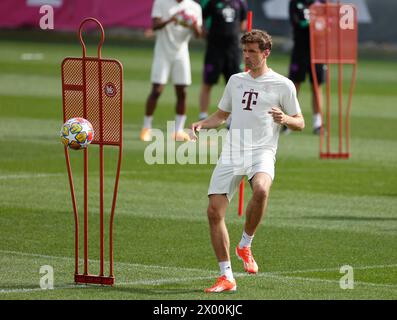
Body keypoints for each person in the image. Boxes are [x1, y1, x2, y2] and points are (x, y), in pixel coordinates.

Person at [191, 30, 305, 292]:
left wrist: (285, 119)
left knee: (262, 189)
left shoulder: (283, 84)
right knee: (213, 212)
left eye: (252, 52)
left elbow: (300, 121)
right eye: (244, 51)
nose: (247, 56)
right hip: (233, 151)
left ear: (266, 53)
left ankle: (245, 243)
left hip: (262, 151)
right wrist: (202, 124)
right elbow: (221, 115)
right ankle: (226, 276)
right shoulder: (235, 80)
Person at [140, 0, 202, 142]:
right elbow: (155, 26)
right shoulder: (161, 2)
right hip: (162, 52)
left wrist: (194, 26)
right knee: (157, 90)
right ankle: (146, 128)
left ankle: (178, 131)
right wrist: (171, 19)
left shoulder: (194, 7)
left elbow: (199, 35)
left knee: (182, 92)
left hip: (181, 54)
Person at [198, 0, 247, 121]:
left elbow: (243, 24)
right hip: (214, 49)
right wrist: (204, 30)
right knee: (208, 82)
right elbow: (202, 17)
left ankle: (231, 118)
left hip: (233, 50)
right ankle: (203, 116)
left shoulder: (240, 3)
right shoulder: (212, 2)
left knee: (235, 85)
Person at [287, 0, 325, 135]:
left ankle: (318, 123)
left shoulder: (322, 2)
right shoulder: (295, 2)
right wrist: (312, 23)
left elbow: (328, 24)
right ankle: (290, 120)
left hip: (318, 50)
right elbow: (295, 23)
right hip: (300, 50)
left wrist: (320, 25)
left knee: (317, 86)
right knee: (294, 85)